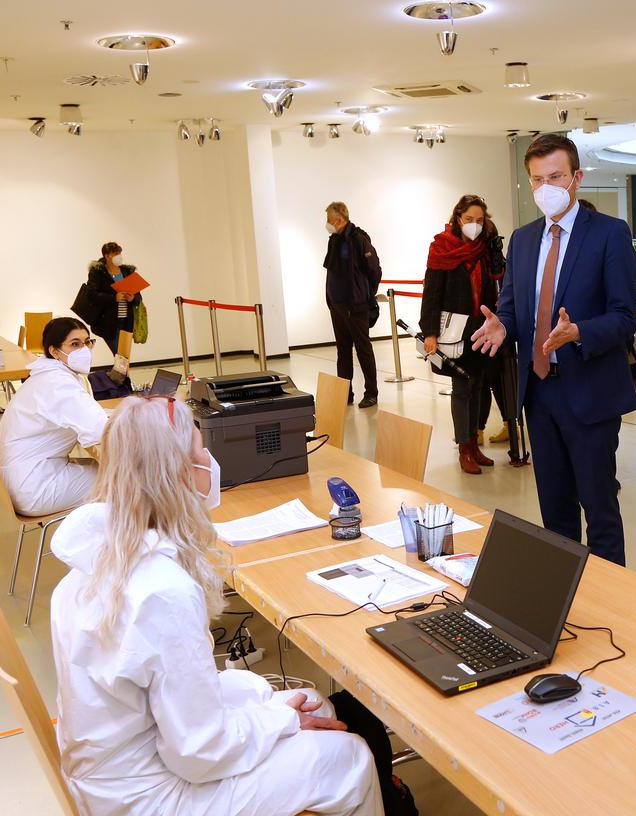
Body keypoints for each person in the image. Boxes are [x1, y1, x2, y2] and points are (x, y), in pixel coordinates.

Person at [49, 396, 396, 816]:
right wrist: (280, 721)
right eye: (200, 451)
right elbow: (199, 754)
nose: (209, 461)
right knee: (350, 756)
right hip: (151, 797)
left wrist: (272, 711)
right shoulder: (162, 591)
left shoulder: (90, 558)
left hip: (115, 771)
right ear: (179, 473)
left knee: (307, 701)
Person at [470, 133, 636, 565]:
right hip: (540, 393)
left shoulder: (609, 234)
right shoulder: (523, 240)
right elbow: (511, 307)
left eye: (556, 176)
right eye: (538, 179)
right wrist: (502, 326)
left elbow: (623, 317)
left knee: (599, 509)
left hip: (590, 390)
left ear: (576, 177)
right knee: (555, 511)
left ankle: (610, 604)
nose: (547, 187)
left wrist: (578, 331)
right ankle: (564, 606)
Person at [421, 194, 506, 475]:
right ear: (457, 218)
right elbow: (431, 294)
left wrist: (495, 251)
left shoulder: (483, 247)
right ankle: (464, 449)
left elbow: (497, 279)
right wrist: (429, 333)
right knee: (461, 390)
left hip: (481, 328)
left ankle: (474, 444)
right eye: (469, 219)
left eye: (480, 220)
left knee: (479, 387)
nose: (474, 225)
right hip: (454, 330)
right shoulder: (441, 248)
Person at [0, 318, 107, 515]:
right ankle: (119, 543)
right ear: (54, 351)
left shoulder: (48, 376)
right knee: (126, 481)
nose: (85, 350)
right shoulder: (58, 383)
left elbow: (87, 419)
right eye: (75, 344)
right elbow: (100, 430)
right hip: (34, 487)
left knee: (108, 471)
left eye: (88, 342)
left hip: (20, 479)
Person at [324, 202, 382, 408]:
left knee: (363, 349)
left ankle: (371, 393)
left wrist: (365, 294)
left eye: (329, 219)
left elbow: (374, 269)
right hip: (337, 306)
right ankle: (345, 393)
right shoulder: (334, 240)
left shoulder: (358, 239)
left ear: (339, 219)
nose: (327, 223)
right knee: (343, 351)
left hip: (356, 306)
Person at [84, 241, 143, 353]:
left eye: (119, 253)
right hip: (108, 322)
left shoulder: (127, 272)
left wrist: (133, 298)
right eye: (115, 253)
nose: (118, 256)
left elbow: (138, 297)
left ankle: (121, 371)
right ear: (106, 256)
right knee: (120, 355)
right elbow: (91, 295)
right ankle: (123, 371)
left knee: (123, 355)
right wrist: (113, 298)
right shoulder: (98, 272)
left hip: (127, 321)